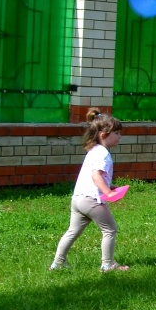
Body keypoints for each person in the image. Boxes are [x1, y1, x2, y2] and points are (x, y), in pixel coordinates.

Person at [51, 110, 129, 273]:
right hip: (92, 200)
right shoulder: (103, 154)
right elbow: (96, 175)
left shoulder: (94, 150)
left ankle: (58, 263)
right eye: (116, 133)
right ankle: (107, 265)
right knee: (110, 229)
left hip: (78, 199)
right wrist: (107, 192)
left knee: (72, 232)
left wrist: (110, 185)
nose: (119, 136)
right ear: (103, 134)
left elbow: (94, 175)